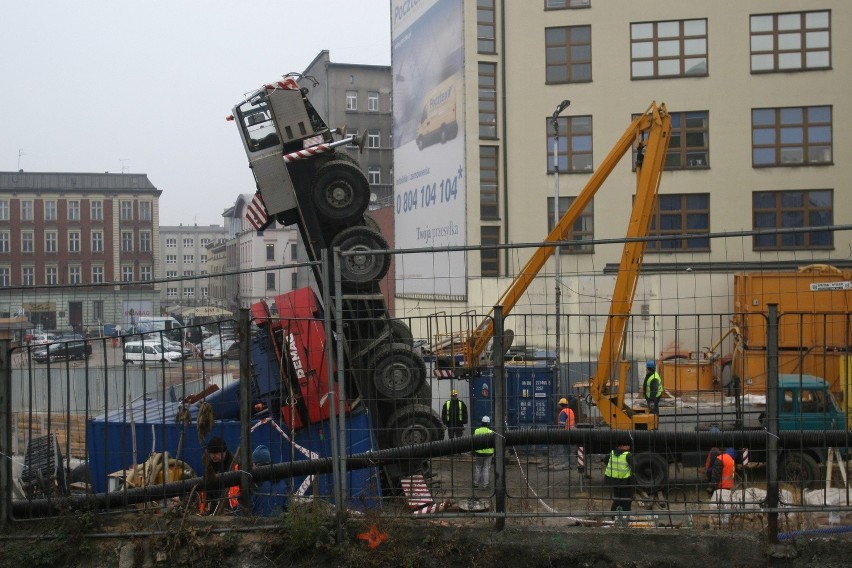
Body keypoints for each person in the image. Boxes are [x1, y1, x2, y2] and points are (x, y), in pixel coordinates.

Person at [200, 436, 235, 514]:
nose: (213, 456)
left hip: (232, 507)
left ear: (224, 452)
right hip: (213, 506)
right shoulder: (210, 465)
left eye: (216, 453)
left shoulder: (234, 465)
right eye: (211, 453)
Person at [604, 442, 634, 515]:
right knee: (626, 499)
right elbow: (634, 466)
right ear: (621, 446)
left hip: (614, 481)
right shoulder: (627, 455)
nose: (629, 446)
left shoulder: (611, 453)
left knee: (617, 498)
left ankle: (614, 514)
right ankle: (626, 514)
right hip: (625, 481)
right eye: (627, 445)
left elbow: (606, 460)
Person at [473, 416, 495, 489]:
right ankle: (485, 485)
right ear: (488, 423)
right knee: (486, 469)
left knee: (478, 467)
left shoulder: (476, 431)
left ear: (482, 422)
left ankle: (476, 484)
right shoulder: (491, 432)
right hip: (488, 454)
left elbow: (474, 442)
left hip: (479, 453)